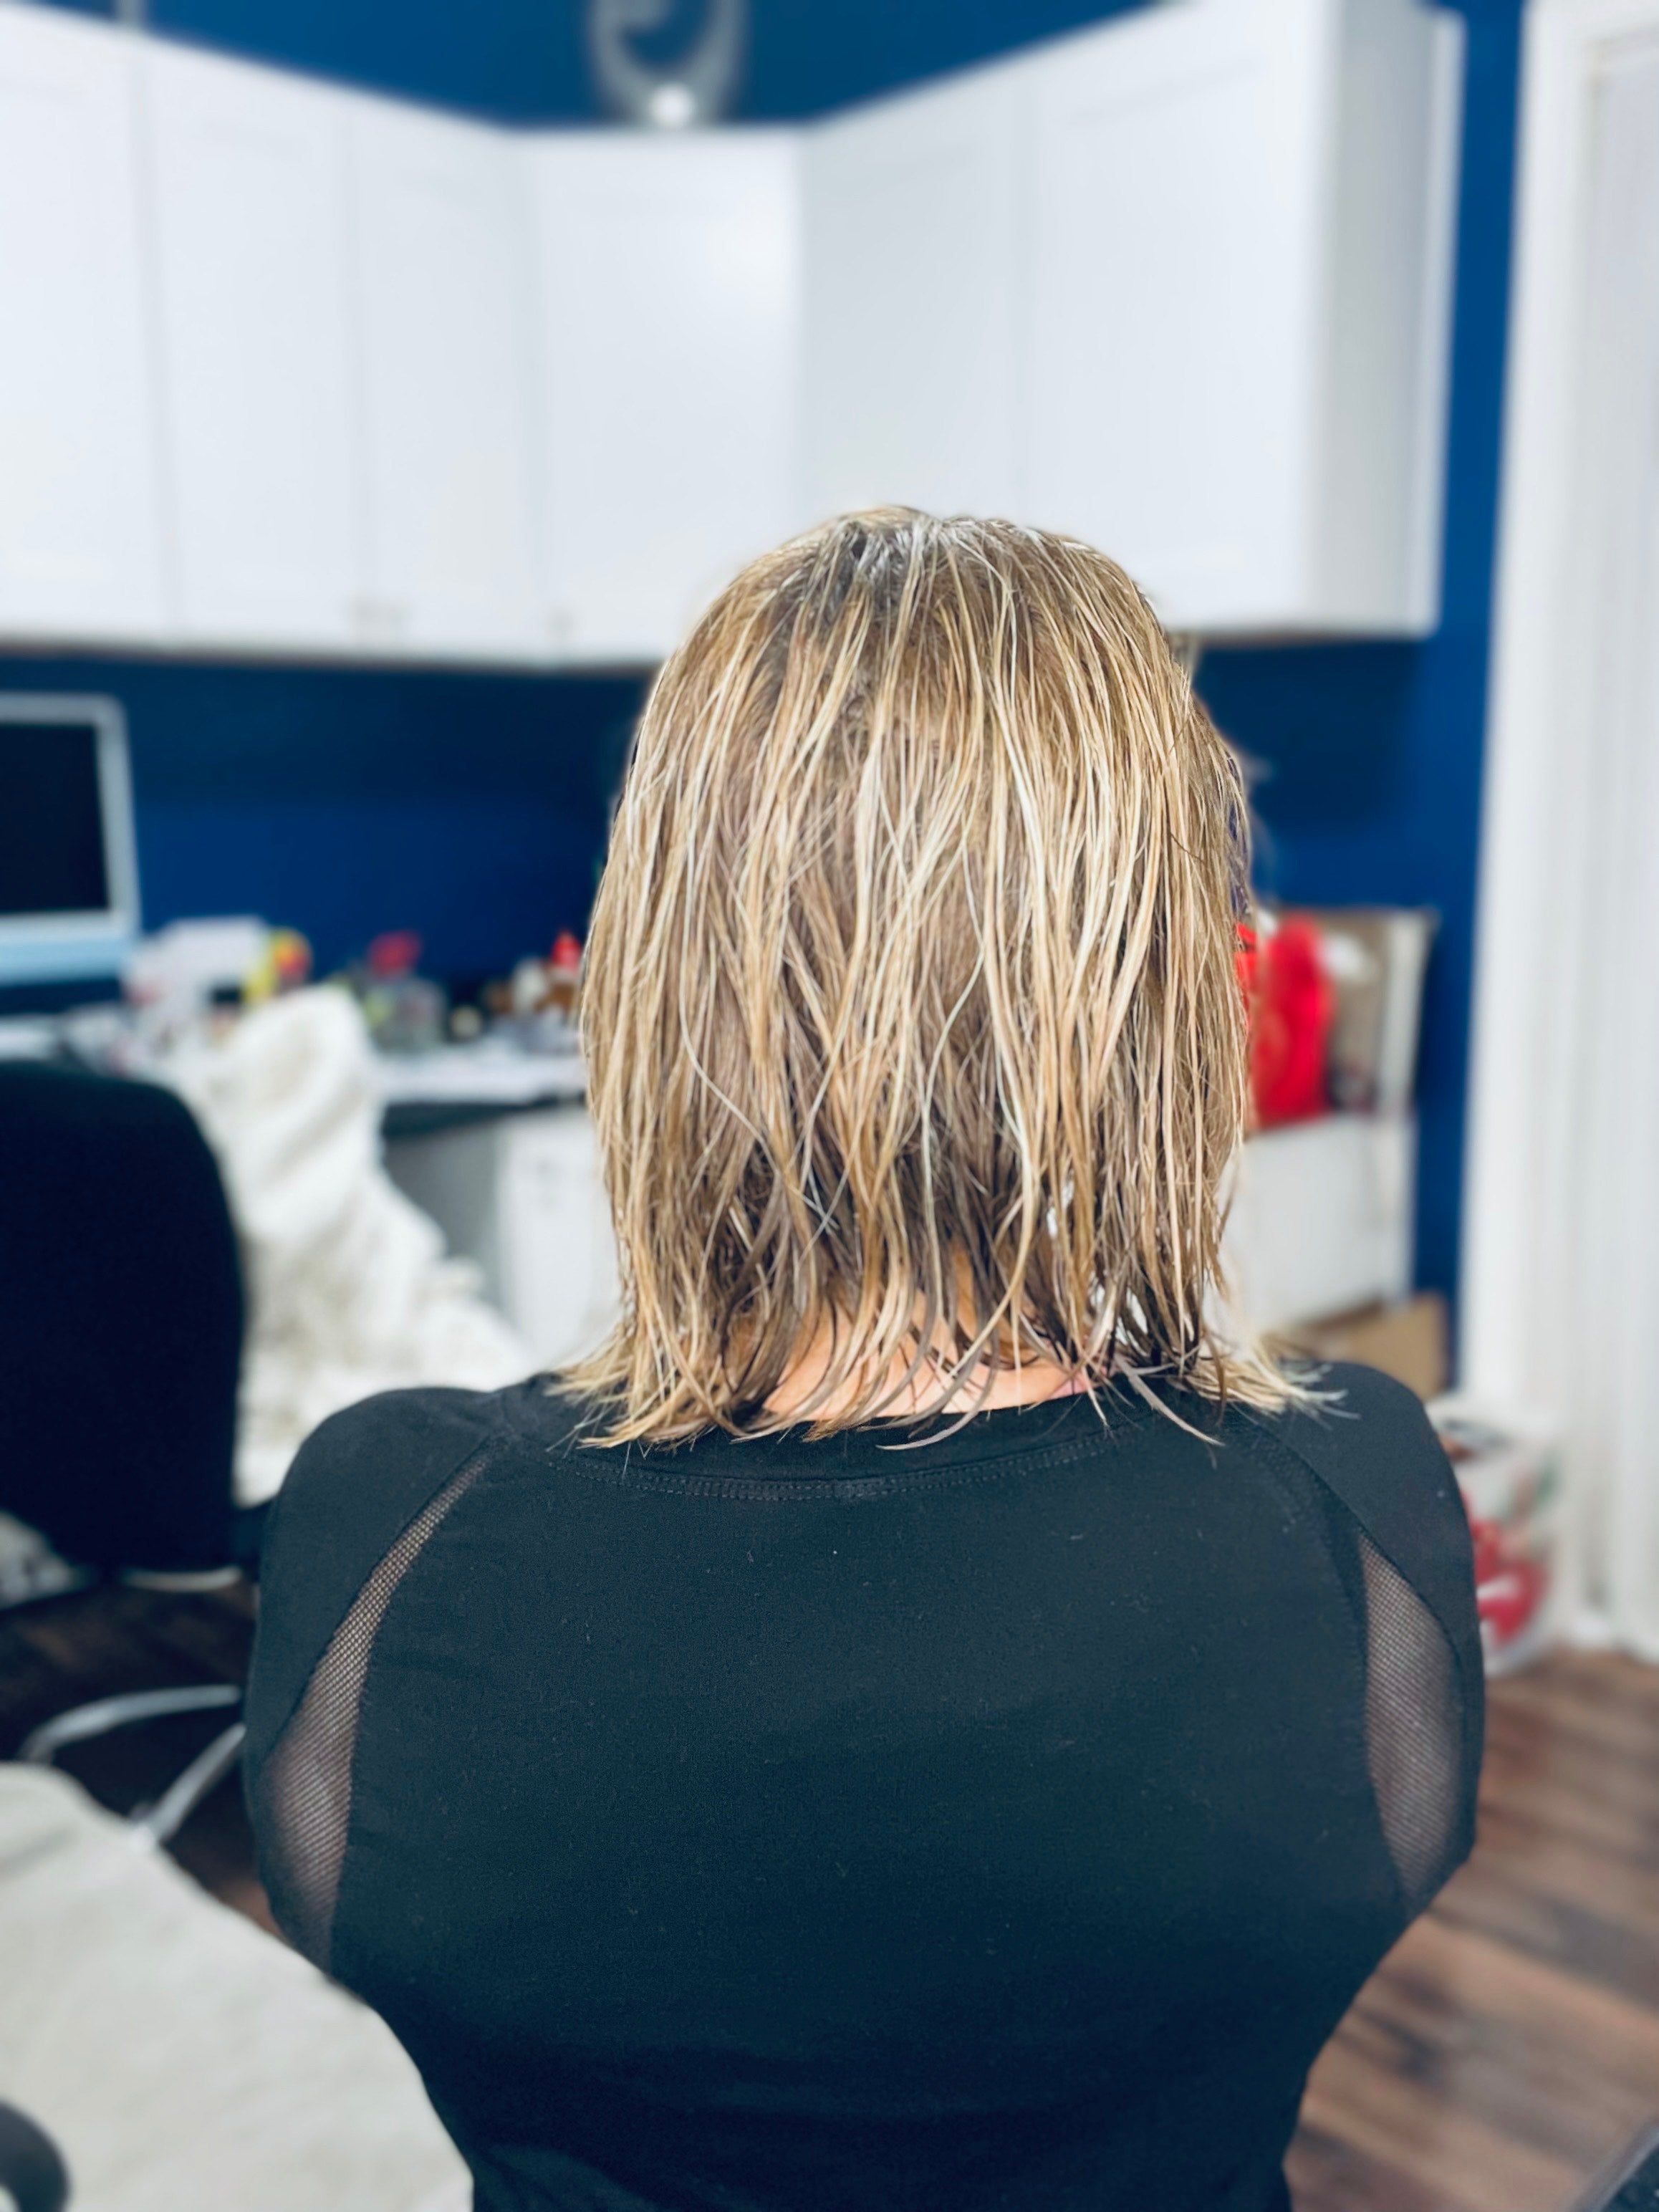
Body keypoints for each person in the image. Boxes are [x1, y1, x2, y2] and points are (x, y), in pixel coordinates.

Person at [246, 511, 1481, 2212]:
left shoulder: (387, 1531)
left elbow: (339, 1903)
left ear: (661, 978)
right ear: (1164, 998)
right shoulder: (1364, 1500)